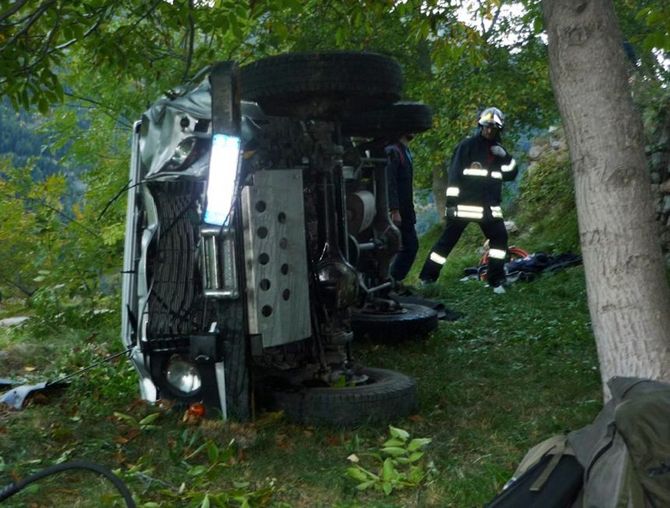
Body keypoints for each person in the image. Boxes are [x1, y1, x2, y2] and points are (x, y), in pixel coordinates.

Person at [418, 107, 518, 293]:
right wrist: (450, 205)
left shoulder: (499, 150)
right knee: (445, 244)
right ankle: (427, 279)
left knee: (499, 240)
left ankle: (496, 281)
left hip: (489, 208)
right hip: (464, 207)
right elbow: (454, 177)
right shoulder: (467, 147)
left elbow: (511, 174)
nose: (489, 131)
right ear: (480, 126)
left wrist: (506, 157)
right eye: (486, 127)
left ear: (499, 129)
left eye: (493, 128)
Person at [386, 133, 419, 284]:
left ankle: (393, 281)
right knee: (408, 246)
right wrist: (394, 210)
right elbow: (389, 182)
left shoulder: (404, 151)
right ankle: (392, 280)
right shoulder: (394, 151)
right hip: (399, 210)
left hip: (406, 208)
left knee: (409, 246)